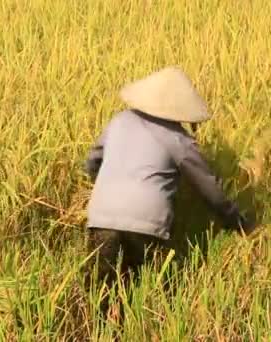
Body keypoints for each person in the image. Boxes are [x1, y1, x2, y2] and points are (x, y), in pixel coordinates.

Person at [82, 66, 256, 320]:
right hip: (147, 225)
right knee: (147, 291)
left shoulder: (119, 121)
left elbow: (92, 160)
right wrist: (237, 221)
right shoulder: (178, 139)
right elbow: (209, 187)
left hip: (102, 219)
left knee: (101, 290)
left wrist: (105, 189)